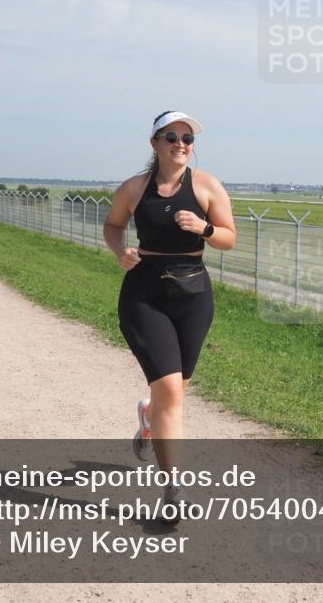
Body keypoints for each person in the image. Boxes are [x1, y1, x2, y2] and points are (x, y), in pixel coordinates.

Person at [103, 111, 236, 520]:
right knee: (172, 393)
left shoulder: (208, 186)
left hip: (193, 294)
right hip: (145, 293)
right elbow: (113, 225)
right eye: (172, 137)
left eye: (188, 138)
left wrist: (204, 228)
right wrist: (120, 250)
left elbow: (229, 238)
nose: (181, 144)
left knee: (175, 392)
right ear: (155, 143)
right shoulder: (135, 188)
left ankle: (148, 416)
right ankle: (173, 489)